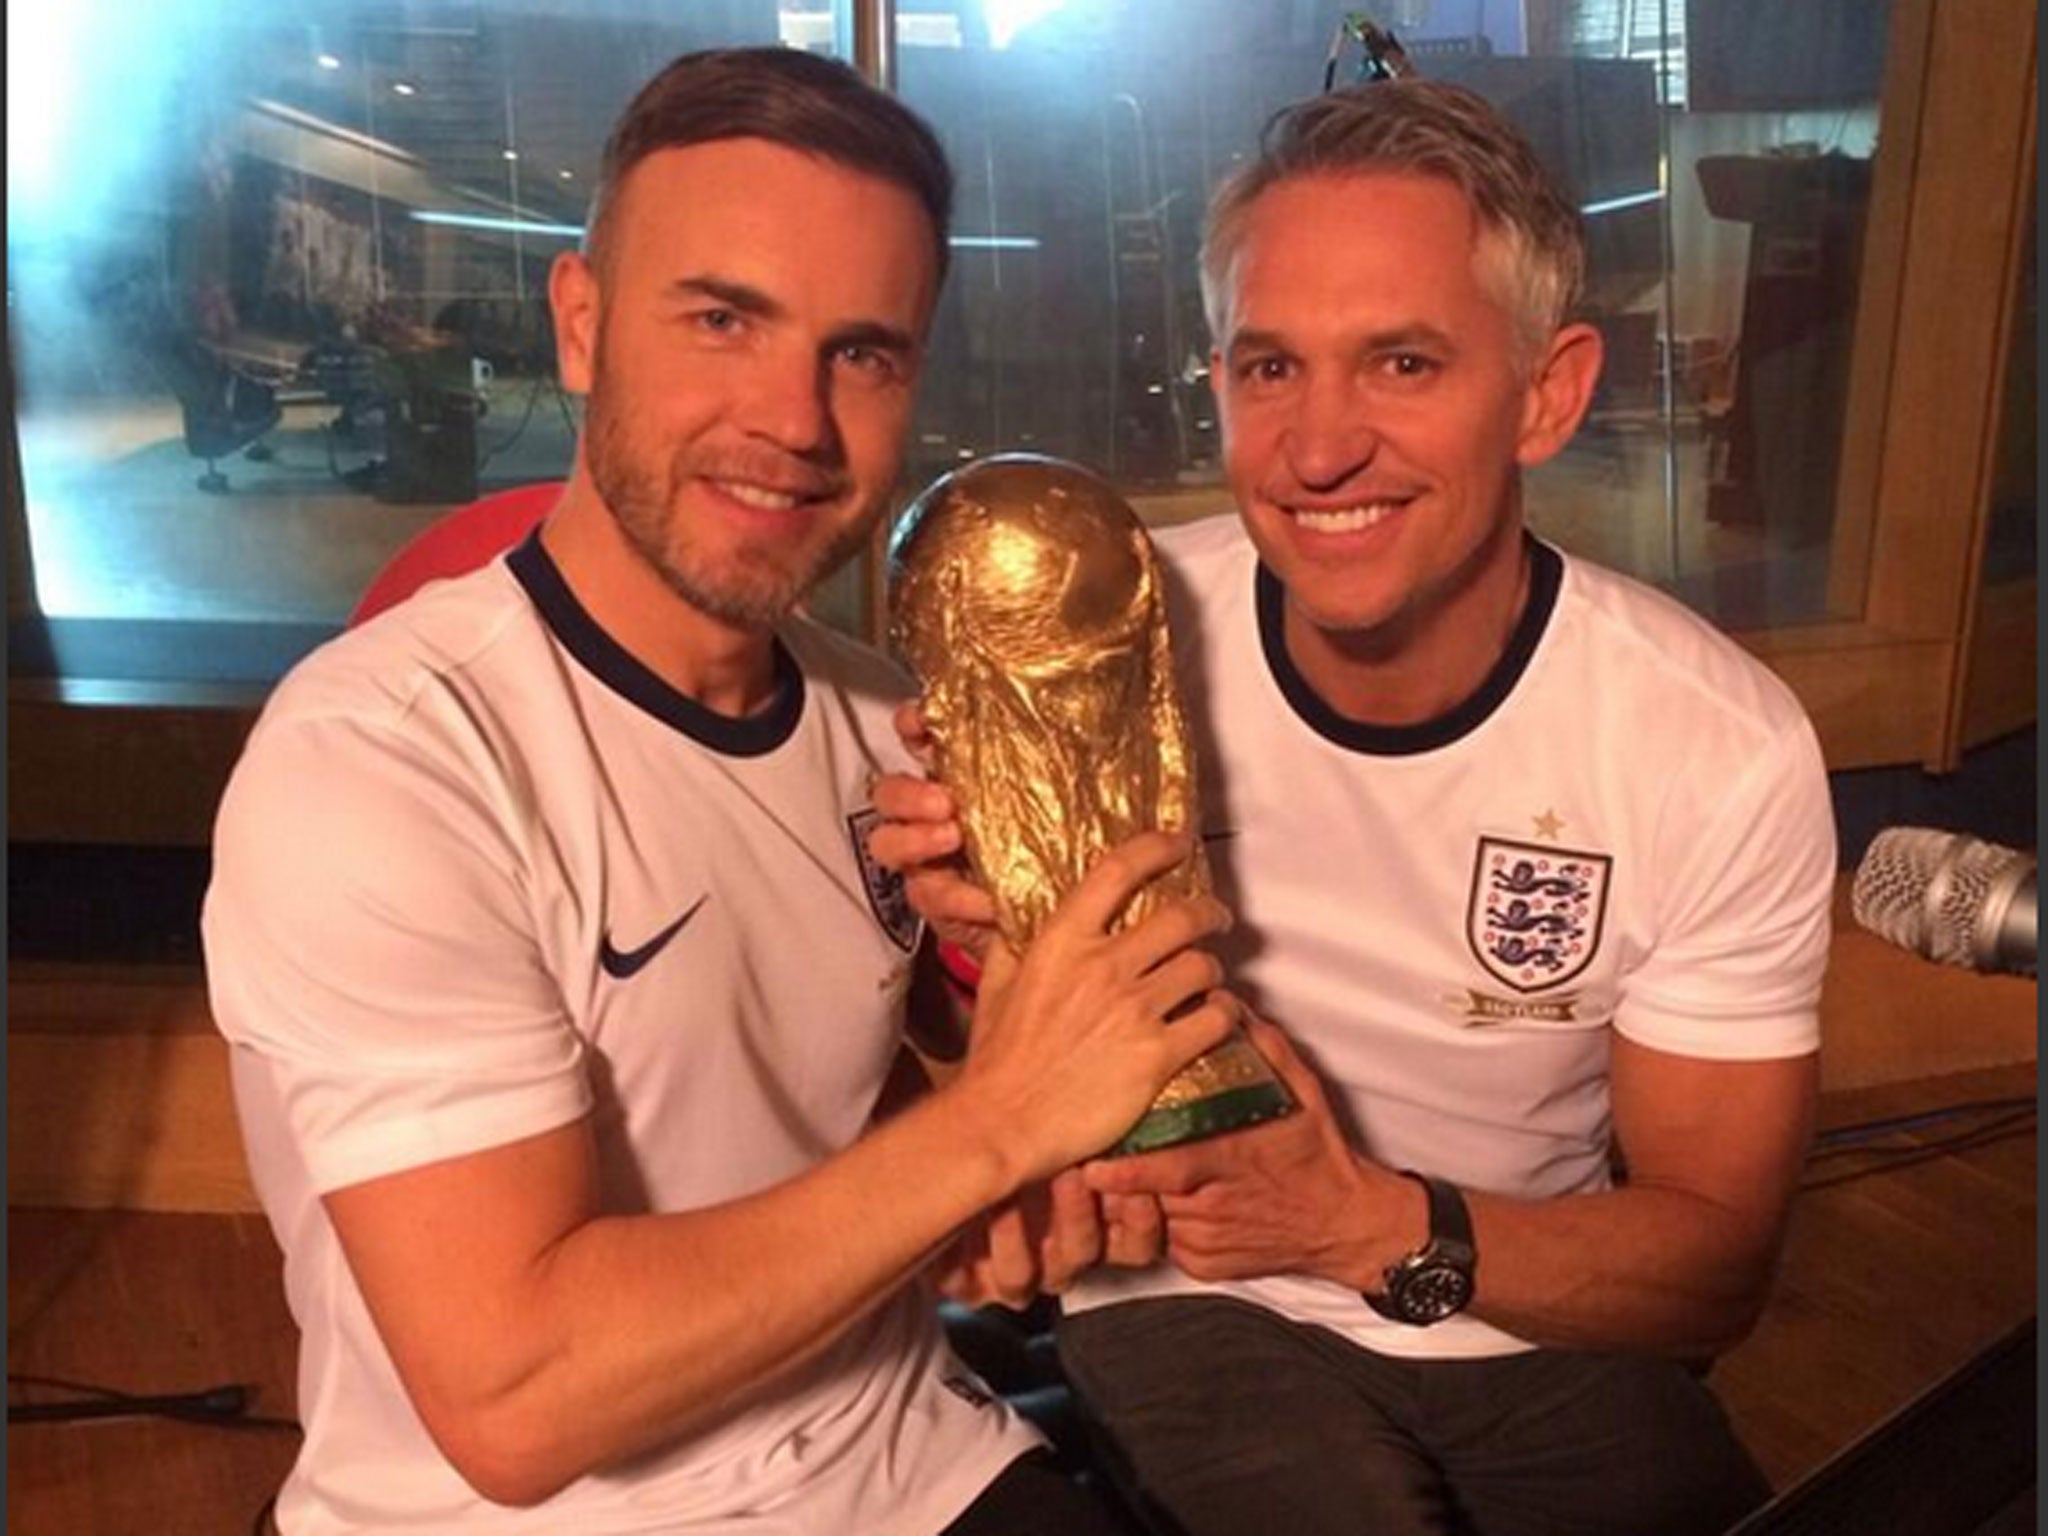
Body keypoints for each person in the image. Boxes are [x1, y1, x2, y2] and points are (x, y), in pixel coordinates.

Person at [202, 47, 1242, 1536]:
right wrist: (998, 1130)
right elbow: (517, 1399)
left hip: (901, 1454)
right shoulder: (383, 763)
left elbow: (822, 1089)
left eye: (862, 353)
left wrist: (997, 1042)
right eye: (721, 320)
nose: (796, 422)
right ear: (582, 326)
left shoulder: (884, 721)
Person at [871, 77, 1836, 1536]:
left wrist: (1368, 1223)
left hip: (1515, 1296)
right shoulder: (1102, 620)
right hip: (1185, 1290)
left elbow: (1714, 1265)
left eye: (1401, 363)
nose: (1320, 450)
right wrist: (964, 942)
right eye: (1269, 370)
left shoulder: (1713, 744)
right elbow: (951, 1040)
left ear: (1549, 392)